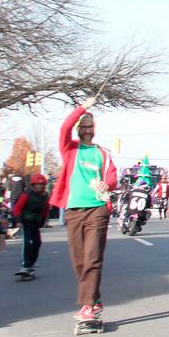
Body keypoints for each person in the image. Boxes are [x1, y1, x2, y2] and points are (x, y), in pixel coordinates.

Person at [52, 97, 117, 323]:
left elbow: (111, 176)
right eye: (84, 127)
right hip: (73, 209)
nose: (87, 130)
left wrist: (106, 184)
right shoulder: (70, 149)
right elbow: (63, 128)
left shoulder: (103, 153)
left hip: (97, 209)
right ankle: (94, 298)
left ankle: (88, 306)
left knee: (92, 257)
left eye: (91, 127)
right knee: (79, 259)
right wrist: (83, 109)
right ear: (78, 129)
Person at [12, 173, 50, 276]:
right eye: (38, 184)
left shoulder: (44, 196)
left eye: (42, 185)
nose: (40, 187)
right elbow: (17, 208)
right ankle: (25, 265)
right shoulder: (27, 195)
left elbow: (45, 210)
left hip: (35, 222)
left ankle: (31, 263)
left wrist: (43, 220)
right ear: (33, 185)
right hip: (25, 222)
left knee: (37, 243)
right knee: (27, 243)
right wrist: (18, 220)